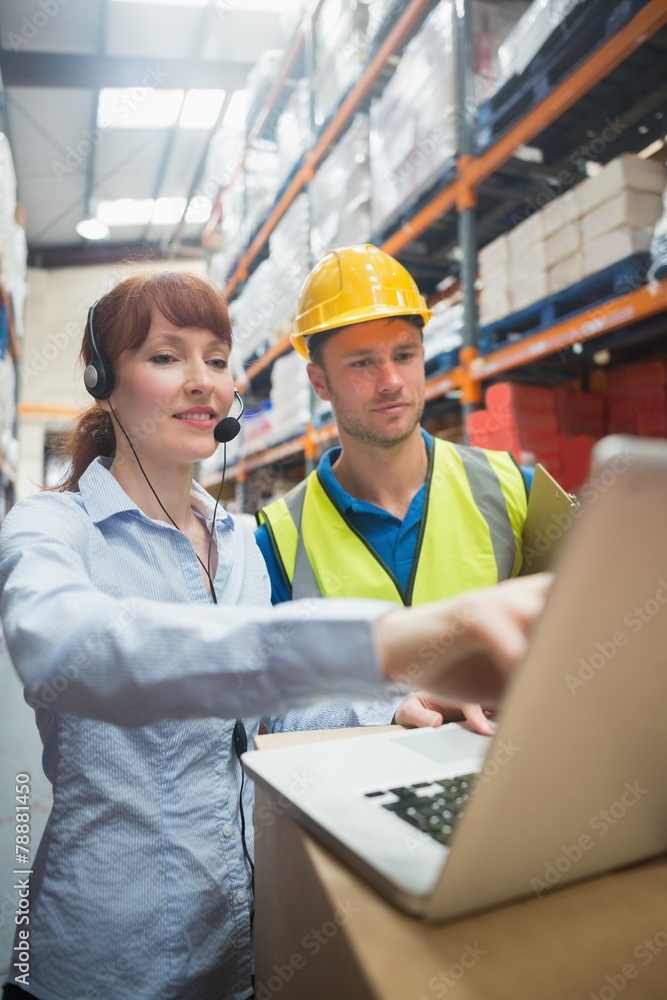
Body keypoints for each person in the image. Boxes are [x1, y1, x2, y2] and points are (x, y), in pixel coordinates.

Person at [0, 270, 550, 1000]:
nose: (202, 382)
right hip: (103, 963)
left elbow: (273, 717)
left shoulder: (239, 541)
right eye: (165, 357)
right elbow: (73, 651)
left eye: (218, 360)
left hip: (236, 953)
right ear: (106, 379)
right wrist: (384, 640)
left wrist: (393, 704)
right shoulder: (52, 527)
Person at [256, 244, 533, 735]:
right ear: (318, 381)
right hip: (353, 801)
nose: (390, 381)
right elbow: (271, 710)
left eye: (404, 355)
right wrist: (383, 709)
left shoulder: (514, 488)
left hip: (505, 775)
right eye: (362, 364)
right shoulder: (277, 538)